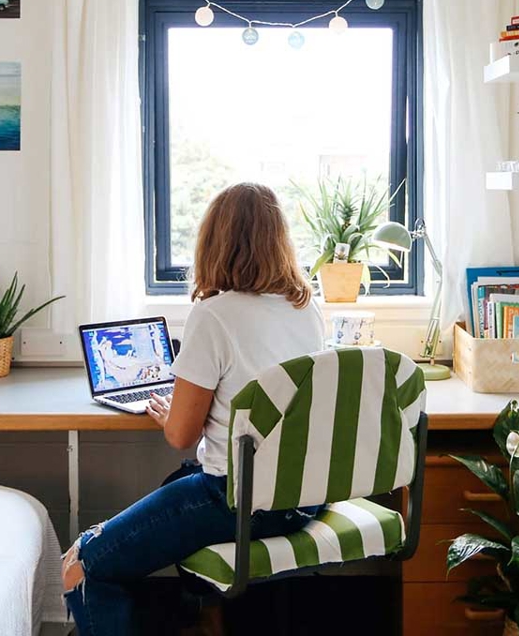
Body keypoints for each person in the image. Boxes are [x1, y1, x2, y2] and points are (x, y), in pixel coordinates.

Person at [61, 183, 325, 636]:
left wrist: (173, 415)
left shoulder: (214, 314)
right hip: (305, 499)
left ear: (213, 243)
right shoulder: (307, 310)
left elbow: (181, 435)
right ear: (280, 242)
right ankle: (202, 615)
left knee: (82, 564)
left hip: (239, 502)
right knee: (179, 480)